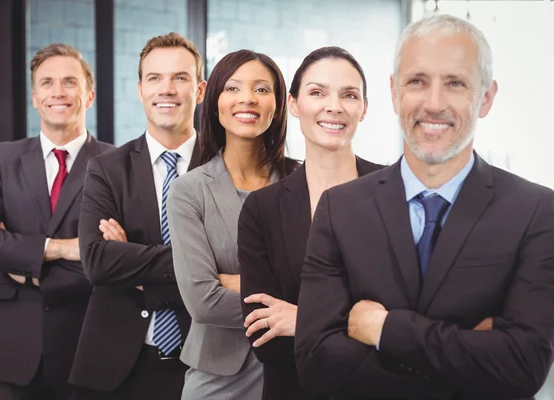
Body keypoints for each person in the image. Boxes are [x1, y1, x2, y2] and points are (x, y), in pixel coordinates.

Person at [295, 14, 554, 399]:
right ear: (395, 93)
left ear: (485, 97)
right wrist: (469, 356)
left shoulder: (536, 211)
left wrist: (384, 330)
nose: (434, 104)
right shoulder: (340, 209)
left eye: (455, 83)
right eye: (417, 81)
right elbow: (316, 362)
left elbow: (522, 366)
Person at [0, 43, 113, 400]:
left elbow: (113, 257)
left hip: (89, 343)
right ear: (34, 97)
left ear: (89, 95)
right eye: (47, 83)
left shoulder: (115, 163)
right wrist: (62, 249)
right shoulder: (3, 158)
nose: (57, 92)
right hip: (17, 345)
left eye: (69, 82)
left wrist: (22, 262)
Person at [238, 46, 385, 400]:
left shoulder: (395, 192)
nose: (334, 105)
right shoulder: (263, 209)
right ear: (293, 103)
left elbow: (416, 324)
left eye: (349, 95)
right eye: (317, 92)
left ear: (364, 109)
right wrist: (370, 328)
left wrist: (303, 320)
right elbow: (267, 340)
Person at [69, 33, 206, 399]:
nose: (167, 89)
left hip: (204, 362)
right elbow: (97, 262)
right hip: (116, 364)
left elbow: (238, 264)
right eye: (155, 78)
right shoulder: (106, 168)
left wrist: (133, 261)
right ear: (140, 89)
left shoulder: (224, 168)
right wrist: (200, 267)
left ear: (201, 89)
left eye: (180, 77)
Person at [167, 49, 298, 399]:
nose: (247, 99)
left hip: (298, 371)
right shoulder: (188, 191)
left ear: (279, 103)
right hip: (218, 379)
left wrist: (238, 282)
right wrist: (296, 303)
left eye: (261, 89)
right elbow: (202, 300)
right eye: (233, 88)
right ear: (214, 101)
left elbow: (332, 281)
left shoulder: (303, 181)